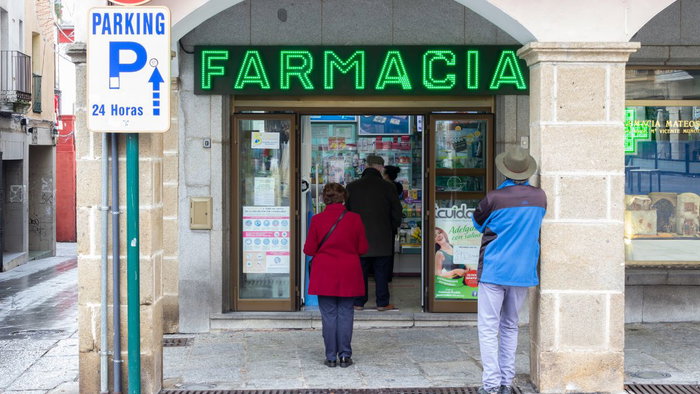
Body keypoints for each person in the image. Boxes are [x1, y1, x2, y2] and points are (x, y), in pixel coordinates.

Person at [472, 147, 547, 394]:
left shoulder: (494, 198)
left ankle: (491, 385)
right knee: (510, 325)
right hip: (522, 271)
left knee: (488, 327)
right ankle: (506, 381)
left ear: (504, 169)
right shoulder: (540, 197)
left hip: (494, 270)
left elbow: (477, 223)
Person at [304, 183, 368, 368]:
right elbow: (363, 248)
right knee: (346, 314)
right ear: (344, 198)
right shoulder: (355, 219)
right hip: (349, 272)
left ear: (325, 199)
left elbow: (308, 249)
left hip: (325, 273)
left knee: (329, 315)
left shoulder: (317, 220)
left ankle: (331, 356)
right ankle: (345, 356)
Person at [346, 154, 403, 311]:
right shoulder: (388, 187)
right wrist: (393, 228)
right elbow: (397, 212)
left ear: (366, 166)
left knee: (360, 272)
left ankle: (358, 302)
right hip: (382, 237)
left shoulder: (352, 187)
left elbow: (346, 212)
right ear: (380, 168)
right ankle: (382, 303)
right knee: (381, 272)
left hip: (358, 238)